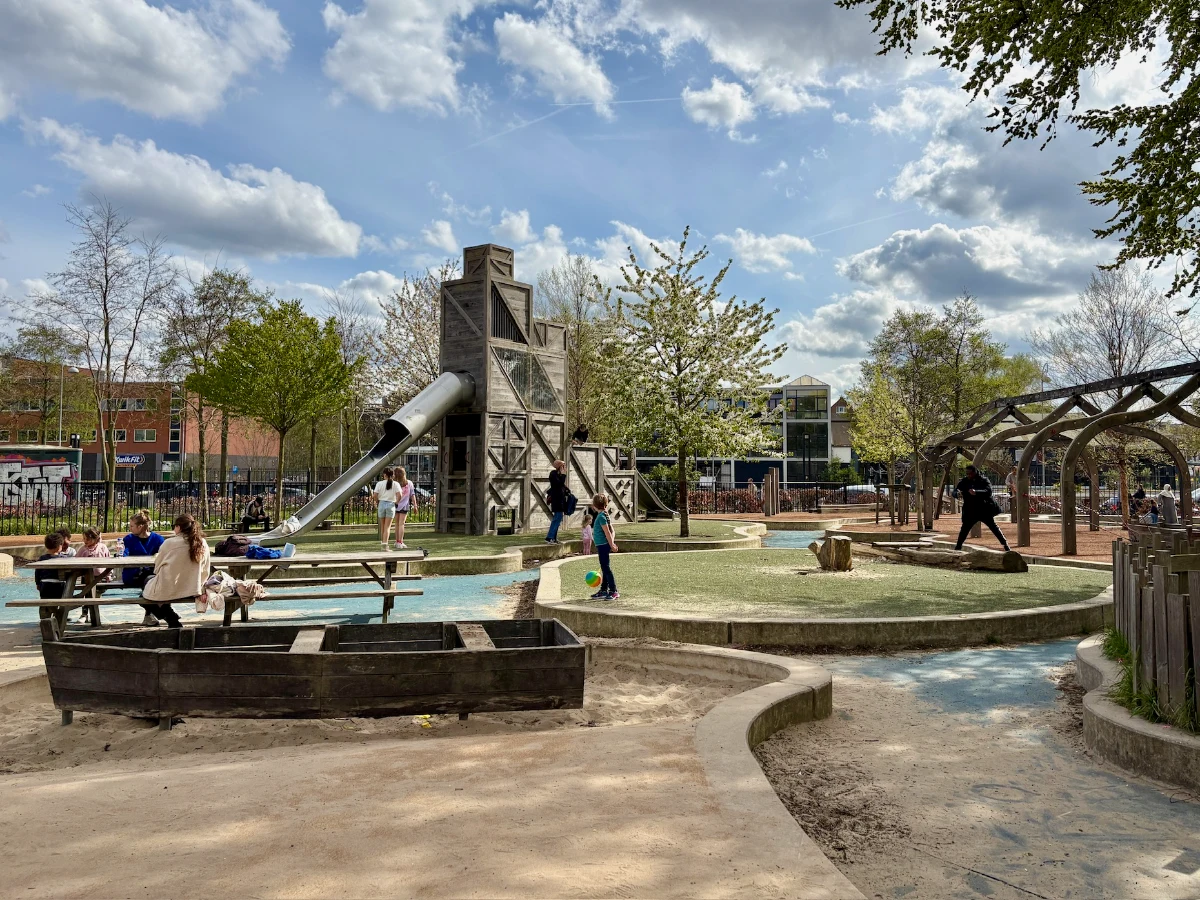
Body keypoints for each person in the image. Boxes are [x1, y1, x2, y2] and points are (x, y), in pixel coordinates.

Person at [139, 514, 210, 629]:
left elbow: (157, 568)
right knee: (146, 587)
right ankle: (170, 617)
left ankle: (171, 618)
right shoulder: (203, 543)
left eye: (174, 526)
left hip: (170, 587)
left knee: (143, 590)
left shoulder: (170, 543)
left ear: (179, 527)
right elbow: (205, 570)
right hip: (193, 588)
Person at [953, 464, 1011, 552]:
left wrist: (976, 492)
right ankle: (958, 547)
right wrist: (956, 493)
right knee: (964, 529)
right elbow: (955, 490)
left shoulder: (983, 480)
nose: (969, 476)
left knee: (993, 527)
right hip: (970, 510)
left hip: (983, 509)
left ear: (975, 473)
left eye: (970, 474)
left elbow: (988, 491)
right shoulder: (964, 481)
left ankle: (1005, 545)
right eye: (967, 474)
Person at [122, 510, 165, 626]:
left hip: (153, 573)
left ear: (140, 526)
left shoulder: (158, 540)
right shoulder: (128, 539)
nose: (130, 528)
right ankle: (164, 612)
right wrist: (120, 553)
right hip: (134, 574)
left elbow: (163, 556)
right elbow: (124, 554)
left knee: (154, 581)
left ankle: (150, 615)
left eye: (132, 526)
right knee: (151, 582)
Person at [590, 493, 619, 600]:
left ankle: (613, 591)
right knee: (604, 567)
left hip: (603, 546)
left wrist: (612, 545)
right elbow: (612, 531)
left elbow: (608, 532)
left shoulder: (601, 516)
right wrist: (612, 543)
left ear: (594, 506)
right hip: (602, 546)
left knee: (606, 568)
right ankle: (603, 590)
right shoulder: (603, 515)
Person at [372, 468, 401, 551]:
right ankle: (385, 545)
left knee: (382, 526)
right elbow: (399, 495)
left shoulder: (379, 484)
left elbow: (375, 495)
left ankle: (383, 544)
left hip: (381, 503)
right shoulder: (396, 484)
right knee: (387, 527)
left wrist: (377, 501)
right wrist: (396, 502)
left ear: (385, 475)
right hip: (391, 504)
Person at [35, 532, 70, 600]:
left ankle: (48, 609)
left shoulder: (42, 559)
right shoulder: (64, 558)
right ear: (60, 546)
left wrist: (38, 583)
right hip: (59, 586)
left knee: (45, 600)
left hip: (45, 586)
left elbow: (37, 572)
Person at [392, 466, 416, 550]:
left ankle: (397, 541)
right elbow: (412, 495)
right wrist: (415, 505)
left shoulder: (394, 484)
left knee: (397, 524)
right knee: (401, 524)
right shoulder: (409, 483)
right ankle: (400, 541)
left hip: (395, 505)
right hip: (404, 505)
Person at [545, 460, 568, 544]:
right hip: (556, 500)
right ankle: (549, 537)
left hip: (561, 500)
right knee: (556, 519)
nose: (564, 468)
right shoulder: (553, 474)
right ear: (559, 466)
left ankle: (554, 538)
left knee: (558, 519)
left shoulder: (559, 475)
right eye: (563, 466)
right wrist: (564, 475)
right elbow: (559, 484)